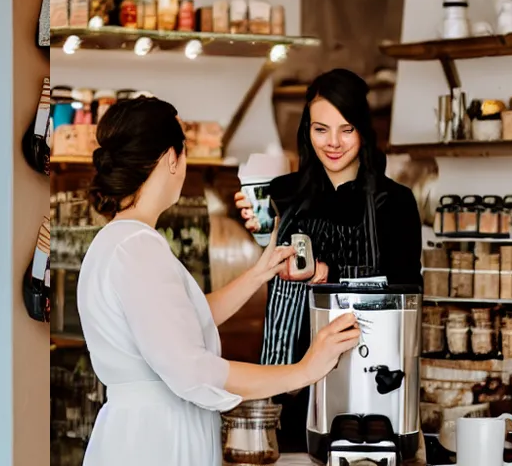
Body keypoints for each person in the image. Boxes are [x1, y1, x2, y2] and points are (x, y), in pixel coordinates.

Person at [79, 97, 359, 465]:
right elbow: (193, 369)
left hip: (141, 435)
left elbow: (180, 322)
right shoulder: (138, 248)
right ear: (170, 159)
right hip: (158, 442)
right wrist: (302, 371)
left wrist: (258, 272)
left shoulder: (117, 240)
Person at [230, 69, 421, 445]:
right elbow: (274, 265)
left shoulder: (394, 202)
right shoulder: (284, 194)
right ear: (307, 130)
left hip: (361, 383)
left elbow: (406, 295)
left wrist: (325, 275)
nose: (333, 143)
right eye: (321, 129)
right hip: (286, 380)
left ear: (362, 130)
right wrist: (264, 234)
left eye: (345, 129)